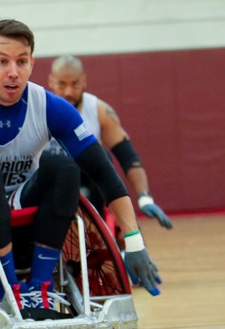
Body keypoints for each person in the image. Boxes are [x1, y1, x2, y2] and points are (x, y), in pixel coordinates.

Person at [0, 19, 161, 317]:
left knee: (64, 166)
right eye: (2, 62)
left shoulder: (49, 106)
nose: (13, 72)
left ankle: (38, 288)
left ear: (32, 64)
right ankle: (9, 288)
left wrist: (133, 241)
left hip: (19, 205)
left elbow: (103, 172)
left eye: (21, 62)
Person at [47, 55, 172, 229]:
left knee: (101, 155)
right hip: (50, 183)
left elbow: (128, 157)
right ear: (51, 82)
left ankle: (100, 229)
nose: (68, 92)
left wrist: (144, 197)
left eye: (75, 84)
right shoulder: (40, 108)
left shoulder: (99, 111)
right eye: (62, 84)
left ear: (84, 82)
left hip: (89, 180)